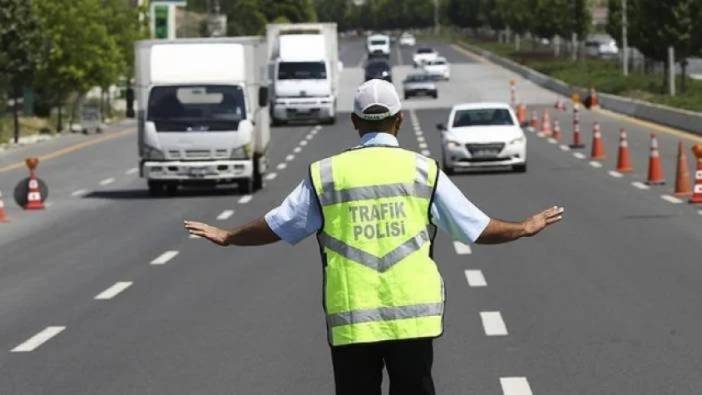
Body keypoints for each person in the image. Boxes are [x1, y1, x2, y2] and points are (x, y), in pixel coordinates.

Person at [184, 79, 564, 395]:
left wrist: (229, 235)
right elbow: (475, 227)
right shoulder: (422, 171)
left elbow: (279, 224)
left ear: (354, 122)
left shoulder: (327, 174)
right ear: (399, 121)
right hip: (413, 320)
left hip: (353, 321)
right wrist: (523, 228)